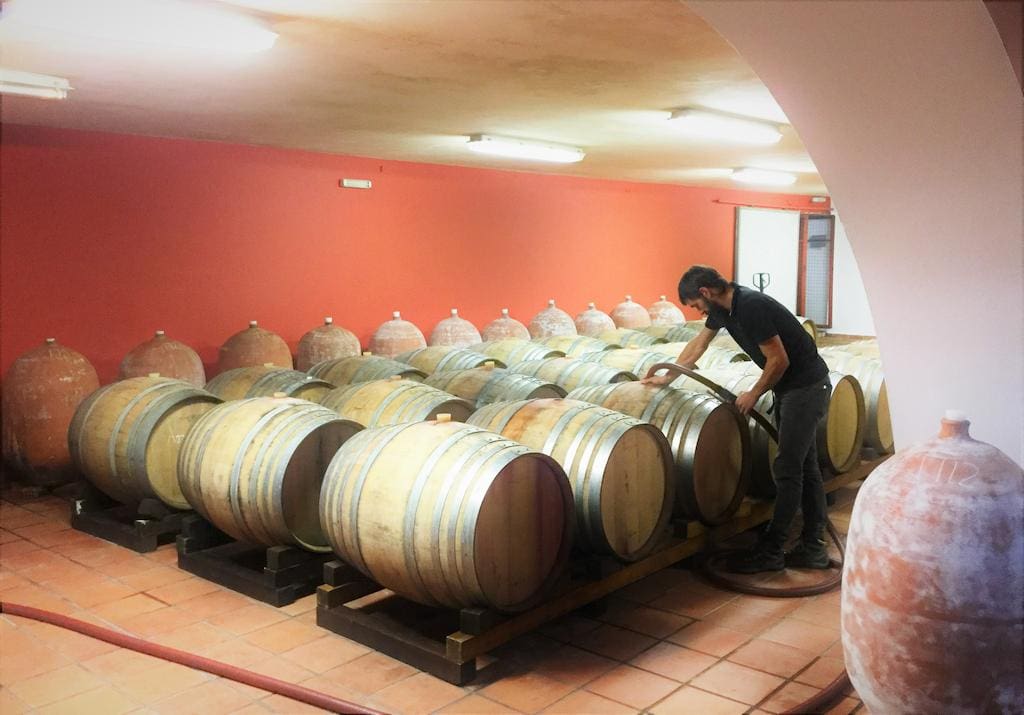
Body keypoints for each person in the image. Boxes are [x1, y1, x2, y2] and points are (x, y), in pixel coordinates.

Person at [643, 265, 832, 573]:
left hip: (806, 389)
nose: (698, 312)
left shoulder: (750, 306)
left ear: (705, 292)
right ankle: (813, 548)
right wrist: (669, 376)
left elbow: (778, 359)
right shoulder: (724, 309)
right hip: (794, 389)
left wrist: (754, 393)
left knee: (787, 469)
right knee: (804, 469)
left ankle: (772, 551)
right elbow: (699, 345)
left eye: (695, 305)